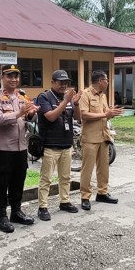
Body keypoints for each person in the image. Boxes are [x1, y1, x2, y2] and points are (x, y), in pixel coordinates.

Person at [0, 64, 38, 233]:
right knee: (1, 183)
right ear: (2, 77)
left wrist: (31, 112)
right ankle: (2, 216)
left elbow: (30, 115)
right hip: (2, 149)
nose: (14, 80)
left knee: (18, 181)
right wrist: (19, 113)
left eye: (16, 76)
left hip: (21, 147)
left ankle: (16, 211)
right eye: (9, 76)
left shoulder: (22, 96)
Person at [34, 70, 82, 221]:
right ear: (52, 82)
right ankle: (42, 207)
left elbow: (78, 117)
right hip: (50, 145)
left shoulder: (67, 98)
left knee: (65, 177)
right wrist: (66, 101)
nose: (63, 85)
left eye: (66, 83)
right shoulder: (44, 97)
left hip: (66, 144)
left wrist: (76, 103)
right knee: (46, 178)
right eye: (60, 82)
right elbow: (51, 116)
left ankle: (65, 201)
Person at [78, 70, 123, 210]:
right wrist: (105, 113)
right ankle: (85, 197)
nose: (108, 83)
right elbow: (84, 115)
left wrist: (111, 114)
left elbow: (104, 115)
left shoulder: (103, 95)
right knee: (87, 169)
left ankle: (102, 193)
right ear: (100, 81)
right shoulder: (85, 94)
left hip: (103, 136)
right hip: (90, 138)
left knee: (104, 167)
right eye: (106, 80)